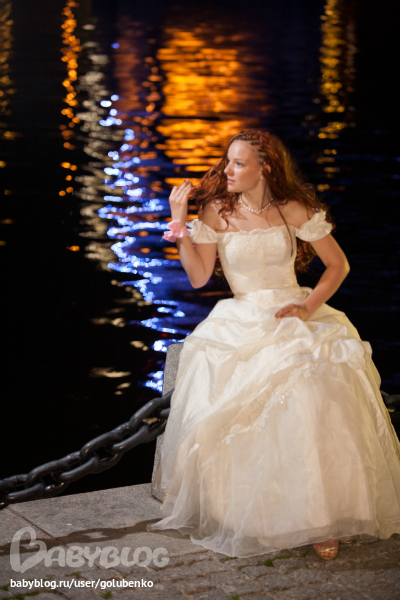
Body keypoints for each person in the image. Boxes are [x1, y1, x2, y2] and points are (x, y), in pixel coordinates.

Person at [148, 130, 400, 560]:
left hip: (293, 312)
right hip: (241, 317)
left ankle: (326, 515)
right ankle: (261, 514)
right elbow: (198, 277)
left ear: (265, 168)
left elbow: (338, 265)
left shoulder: (293, 208)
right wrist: (179, 221)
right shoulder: (216, 211)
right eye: (228, 161)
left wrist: (307, 307)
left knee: (314, 384)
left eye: (239, 163)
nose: (227, 170)